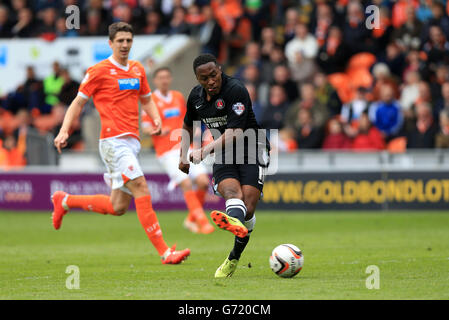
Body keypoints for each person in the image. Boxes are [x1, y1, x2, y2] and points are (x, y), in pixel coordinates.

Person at [51, 22, 190, 265]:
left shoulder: (137, 69)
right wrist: (64, 131)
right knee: (141, 188)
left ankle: (64, 200)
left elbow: (146, 100)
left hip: (132, 143)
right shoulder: (98, 71)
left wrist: (156, 118)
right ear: (111, 44)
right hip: (113, 142)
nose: (125, 45)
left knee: (118, 206)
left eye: (128, 40)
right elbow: (77, 103)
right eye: (120, 41)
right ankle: (165, 253)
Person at [179, 54, 269, 278]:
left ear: (220, 70)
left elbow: (236, 132)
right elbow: (187, 125)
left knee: (248, 207)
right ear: (197, 79)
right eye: (204, 78)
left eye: (213, 75)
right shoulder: (195, 97)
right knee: (232, 192)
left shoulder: (235, 89)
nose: (210, 81)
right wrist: (182, 155)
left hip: (252, 146)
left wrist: (205, 150)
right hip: (224, 151)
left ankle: (233, 257)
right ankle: (235, 223)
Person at [141, 66, 214, 234]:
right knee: (186, 182)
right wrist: (157, 130)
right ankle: (203, 222)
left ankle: (190, 219)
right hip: (166, 151)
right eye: (161, 78)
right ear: (155, 80)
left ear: (170, 79)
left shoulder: (177, 97)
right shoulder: (150, 100)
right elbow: (145, 127)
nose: (164, 80)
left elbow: (186, 118)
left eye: (167, 77)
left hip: (186, 145)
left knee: (203, 182)